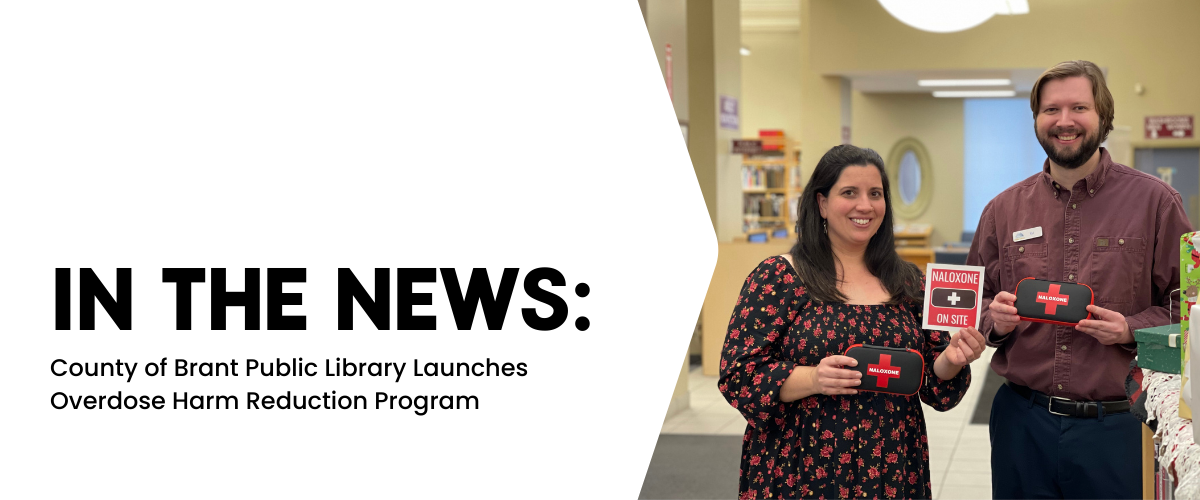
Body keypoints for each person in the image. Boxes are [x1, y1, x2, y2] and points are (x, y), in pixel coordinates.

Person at [967, 60, 1194, 499]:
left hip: (1118, 427)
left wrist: (1130, 328)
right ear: (1036, 119)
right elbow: (972, 300)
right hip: (1021, 424)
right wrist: (991, 319)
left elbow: (1189, 307)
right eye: (1051, 109)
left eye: (1079, 108)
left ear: (1102, 116)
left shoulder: (1156, 203)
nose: (1064, 121)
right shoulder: (1002, 210)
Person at [720, 144, 986, 500]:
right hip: (800, 469)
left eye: (875, 194)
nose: (865, 205)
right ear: (822, 204)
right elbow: (739, 375)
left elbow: (936, 390)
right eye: (849, 193)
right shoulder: (779, 277)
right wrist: (813, 378)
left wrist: (951, 360)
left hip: (891, 469)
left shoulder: (910, 283)